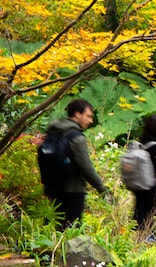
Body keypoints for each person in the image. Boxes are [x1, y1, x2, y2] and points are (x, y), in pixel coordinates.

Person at [44, 98, 110, 229]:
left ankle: (52, 248)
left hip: (52, 188)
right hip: (72, 190)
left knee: (55, 227)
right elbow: (86, 167)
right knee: (71, 229)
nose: (90, 121)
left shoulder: (54, 131)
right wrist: (102, 189)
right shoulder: (76, 138)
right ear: (77, 114)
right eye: (88, 116)